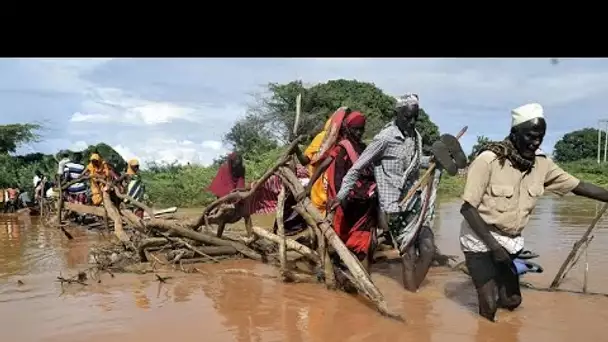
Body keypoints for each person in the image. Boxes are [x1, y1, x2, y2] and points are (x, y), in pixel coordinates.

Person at [460, 102, 608, 322]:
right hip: (479, 238)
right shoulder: (488, 160)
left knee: (512, 301)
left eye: (540, 136)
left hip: (510, 241)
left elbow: (580, 186)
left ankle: (495, 286)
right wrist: (494, 247)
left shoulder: (542, 164)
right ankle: (486, 301)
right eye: (530, 136)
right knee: (489, 307)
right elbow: (467, 209)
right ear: (514, 133)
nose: (536, 142)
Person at [334, 94, 465, 292]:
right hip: (394, 206)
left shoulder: (416, 137)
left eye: (415, 118)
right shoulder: (384, 139)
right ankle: (412, 295)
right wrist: (340, 196)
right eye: (407, 117)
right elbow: (356, 168)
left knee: (428, 250)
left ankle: (413, 297)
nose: (412, 122)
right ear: (397, 114)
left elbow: (416, 162)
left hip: (414, 202)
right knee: (409, 256)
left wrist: (433, 160)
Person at [308, 111, 378, 272]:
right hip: (345, 198)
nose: (359, 133)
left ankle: (351, 270)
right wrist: (310, 185)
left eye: (361, 129)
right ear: (348, 128)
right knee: (337, 236)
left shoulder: (364, 148)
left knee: (362, 242)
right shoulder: (342, 147)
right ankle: (331, 266)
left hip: (364, 201)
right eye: (356, 129)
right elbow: (325, 164)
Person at [295, 107, 351, 216]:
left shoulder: (348, 141)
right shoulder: (322, 138)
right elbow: (305, 160)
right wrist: (296, 149)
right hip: (319, 187)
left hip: (338, 189)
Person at [208, 152, 252, 238]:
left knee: (247, 214)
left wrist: (239, 194)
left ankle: (250, 237)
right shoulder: (225, 169)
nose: (236, 166)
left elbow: (241, 182)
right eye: (235, 164)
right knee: (223, 217)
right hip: (224, 194)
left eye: (238, 163)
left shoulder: (241, 168)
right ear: (231, 163)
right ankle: (218, 238)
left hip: (236, 193)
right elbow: (220, 186)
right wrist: (224, 201)